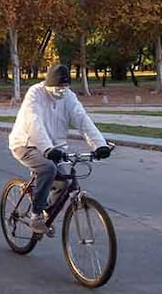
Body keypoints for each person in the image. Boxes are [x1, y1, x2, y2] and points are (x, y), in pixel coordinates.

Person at [8, 64, 112, 234]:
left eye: (64, 87)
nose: (61, 91)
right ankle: (36, 216)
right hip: (26, 144)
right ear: (47, 84)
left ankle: (45, 210)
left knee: (65, 181)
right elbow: (34, 123)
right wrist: (47, 148)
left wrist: (100, 144)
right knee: (48, 168)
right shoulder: (35, 94)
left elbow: (82, 120)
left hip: (55, 148)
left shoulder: (69, 97)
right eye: (57, 87)